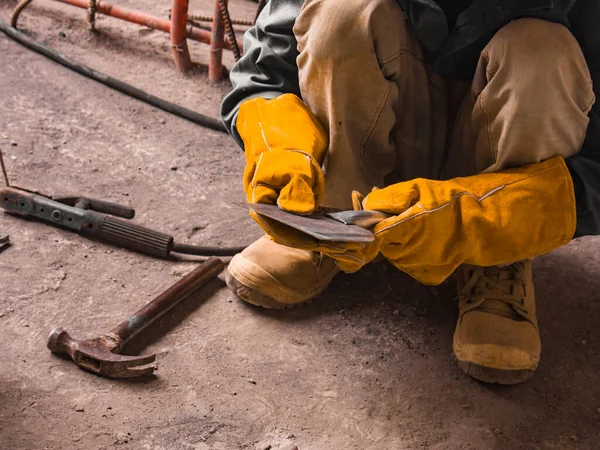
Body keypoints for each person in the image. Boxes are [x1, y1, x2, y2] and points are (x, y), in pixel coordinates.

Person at [220, 0, 599, 385]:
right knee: (341, 14)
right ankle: (328, 219)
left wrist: (495, 215)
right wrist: (279, 144)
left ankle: (498, 258)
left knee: (542, 51)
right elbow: (266, 69)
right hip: (391, 125)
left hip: (501, 151)